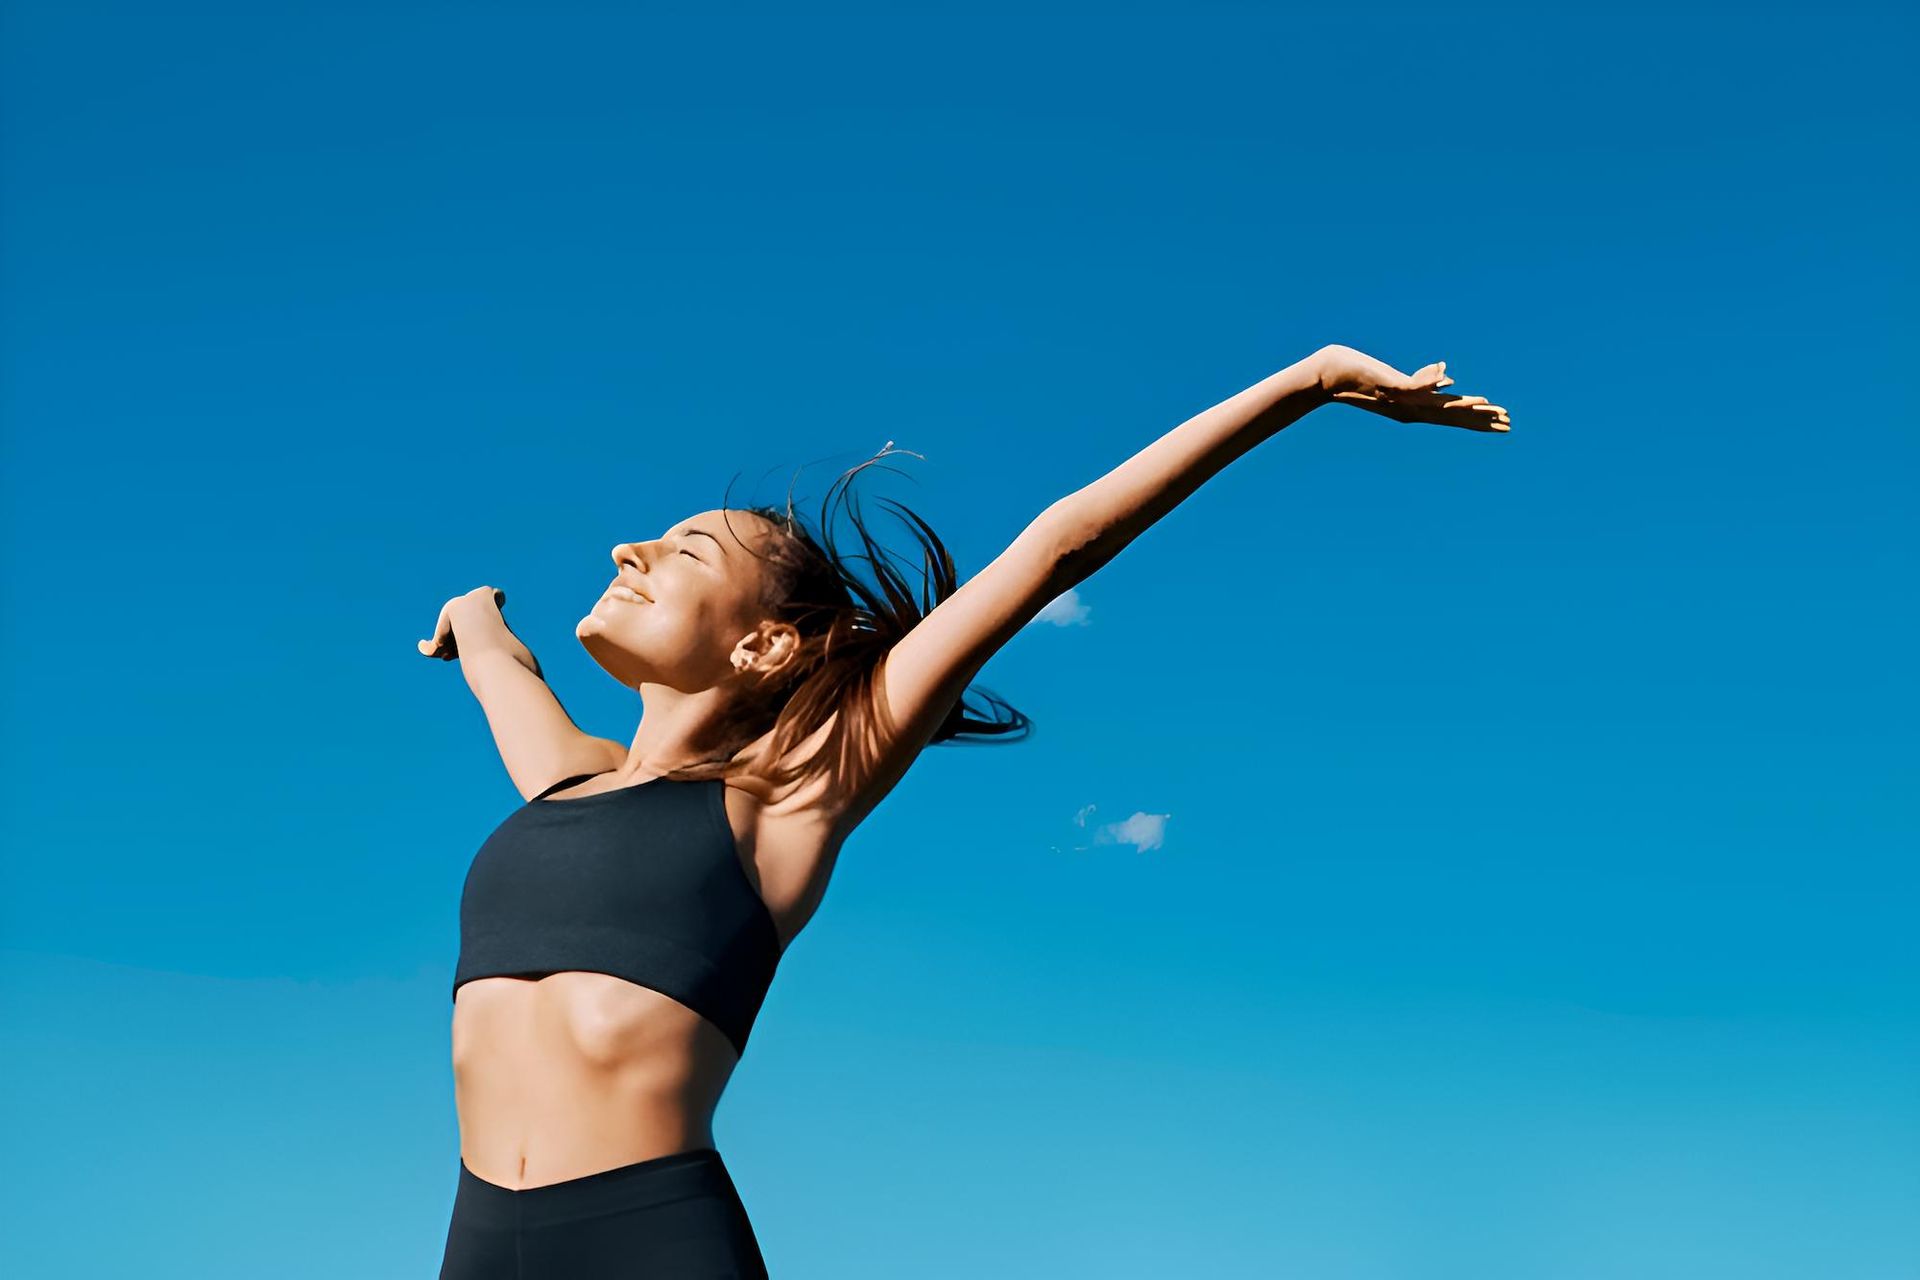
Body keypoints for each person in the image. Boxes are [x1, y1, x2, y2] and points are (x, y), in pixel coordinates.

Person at [419, 343, 1511, 1277]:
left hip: (646, 1230)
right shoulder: (563, 777)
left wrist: (1307, 380)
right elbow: (497, 660)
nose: (628, 548)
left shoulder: (795, 792)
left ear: (764, 644)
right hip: (475, 1234)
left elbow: (1056, 545)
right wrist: (472, 613)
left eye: (685, 549)